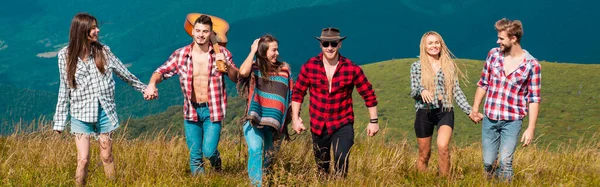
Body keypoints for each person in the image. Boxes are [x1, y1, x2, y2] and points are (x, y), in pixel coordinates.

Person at [53, 13, 152, 186]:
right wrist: (59, 122)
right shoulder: (64, 55)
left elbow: (124, 73)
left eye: (96, 26)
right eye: (92, 27)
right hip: (80, 113)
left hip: (104, 111)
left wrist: (144, 89)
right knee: (83, 160)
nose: (97, 30)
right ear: (81, 30)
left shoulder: (103, 51)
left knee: (106, 156)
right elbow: (64, 87)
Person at [144, 15, 239, 175]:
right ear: (192, 32)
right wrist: (152, 84)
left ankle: (217, 164)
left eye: (205, 31)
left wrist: (227, 64)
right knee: (195, 155)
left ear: (211, 34)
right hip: (191, 110)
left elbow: (236, 77)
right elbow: (161, 71)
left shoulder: (221, 52)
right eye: (198, 31)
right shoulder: (181, 54)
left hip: (212, 110)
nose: (201, 34)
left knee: (208, 151)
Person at [291, 27, 379, 178]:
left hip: (342, 122)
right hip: (319, 124)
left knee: (341, 158)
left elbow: (368, 93)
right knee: (322, 168)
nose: (330, 48)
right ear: (321, 45)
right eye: (326, 44)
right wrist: (295, 118)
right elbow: (298, 93)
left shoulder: (351, 68)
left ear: (340, 44)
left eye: (333, 44)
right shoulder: (309, 66)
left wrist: (373, 121)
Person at [470, 18, 541, 181]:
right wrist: (475, 108)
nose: (498, 41)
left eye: (501, 38)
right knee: (488, 163)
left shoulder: (532, 65)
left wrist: (530, 128)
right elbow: (483, 83)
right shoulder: (493, 55)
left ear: (513, 38)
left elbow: (534, 98)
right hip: (490, 117)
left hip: (513, 120)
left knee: (505, 162)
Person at [410, 31, 476, 177]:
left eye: (437, 42)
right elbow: (413, 91)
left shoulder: (449, 65)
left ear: (441, 44)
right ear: (424, 46)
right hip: (424, 111)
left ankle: (444, 181)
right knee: (424, 154)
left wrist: (469, 111)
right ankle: (422, 181)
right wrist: (422, 90)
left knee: (443, 146)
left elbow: (456, 91)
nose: (434, 46)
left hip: (445, 110)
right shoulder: (416, 66)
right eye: (430, 43)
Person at [237, 34, 293, 186]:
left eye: (277, 49)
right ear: (264, 51)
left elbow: (289, 97)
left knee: (269, 157)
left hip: (274, 124)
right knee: (255, 150)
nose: (277, 53)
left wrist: (293, 118)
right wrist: (253, 51)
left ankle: (266, 181)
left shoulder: (284, 70)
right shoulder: (254, 68)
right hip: (254, 118)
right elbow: (242, 73)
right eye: (273, 50)